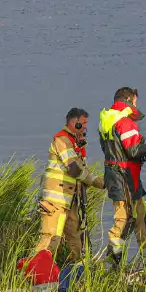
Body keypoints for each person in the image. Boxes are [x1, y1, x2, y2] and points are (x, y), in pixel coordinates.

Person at [98, 87, 146, 268]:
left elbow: (115, 150)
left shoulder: (107, 121)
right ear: (129, 101)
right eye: (135, 102)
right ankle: (114, 264)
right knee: (124, 220)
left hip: (118, 175)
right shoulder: (125, 122)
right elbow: (133, 150)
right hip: (124, 177)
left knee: (141, 218)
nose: (135, 105)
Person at [35, 107, 104, 265]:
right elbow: (74, 169)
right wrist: (98, 181)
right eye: (83, 123)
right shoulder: (62, 140)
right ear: (75, 122)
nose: (86, 127)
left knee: (75, 242)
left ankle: (72, 277)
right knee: (50, 240)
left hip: (70, 201)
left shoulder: (75, 143)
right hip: (56, 201)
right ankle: (36, 277)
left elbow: (81, 171)